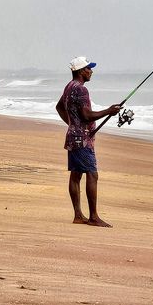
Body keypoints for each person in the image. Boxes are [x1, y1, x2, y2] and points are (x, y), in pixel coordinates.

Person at [55, 56, 122, 227]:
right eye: (88, 68)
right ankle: (93, 217)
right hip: (82, 139)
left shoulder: (69, 87)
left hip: (73, 136)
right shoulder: (81, 90)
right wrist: (109, 111)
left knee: (76, 175)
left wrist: (72, 124)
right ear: (80, 71)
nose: (91, 71)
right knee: (92, 174)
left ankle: (78, 215)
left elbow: (59, 107)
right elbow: (86, 115)